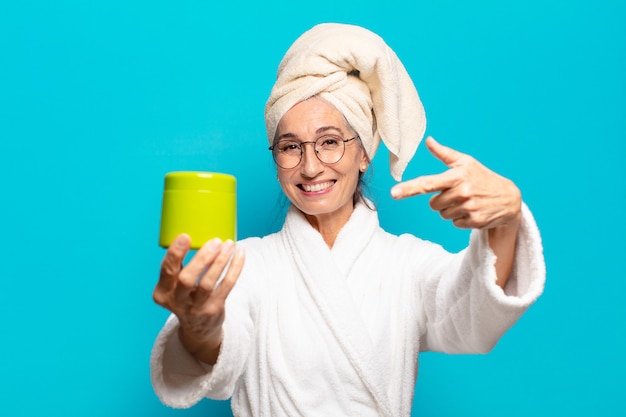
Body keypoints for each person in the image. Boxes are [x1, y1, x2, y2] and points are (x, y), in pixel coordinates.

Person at [150, 23, 545, 417]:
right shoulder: (247, 265)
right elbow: (221, 359)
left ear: (364, 153)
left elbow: (473, 315)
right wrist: (200, 329)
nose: (310, 166)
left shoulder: (406, 264)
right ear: (276, 162)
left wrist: (506, 219)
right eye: (290, 147)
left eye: (329, 142)